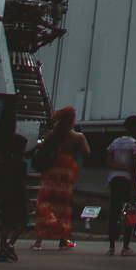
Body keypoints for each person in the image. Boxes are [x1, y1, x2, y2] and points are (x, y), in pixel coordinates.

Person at [32, 106, 88, 248]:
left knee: (45, 202)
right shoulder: (77, 137)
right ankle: (63, 239)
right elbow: (87, 152)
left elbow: (43, 149)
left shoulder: (52, 134)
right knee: (63, 205)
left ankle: (39, 240)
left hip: (51, 169)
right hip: (66, 171)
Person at [105, 114, 136, 256]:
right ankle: (126, 246)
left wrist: (120, 167)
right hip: (128, 181)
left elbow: (109, 162)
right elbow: (133, 167)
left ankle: (111, 246)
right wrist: (133, 187)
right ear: (133, 127)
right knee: (130, 212)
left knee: (114, 212)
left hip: (114, 179)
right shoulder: (135, 144)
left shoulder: (114, 143)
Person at [0, 133, 30, 263]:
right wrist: (27, 200)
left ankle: (1, 249)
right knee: (22, 221)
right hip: (18, 197)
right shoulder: (21, 164)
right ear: (20, 148)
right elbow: (22, 183)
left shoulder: (7, 162)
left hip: (6, 196)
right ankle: (9, 245)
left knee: (6, 224)